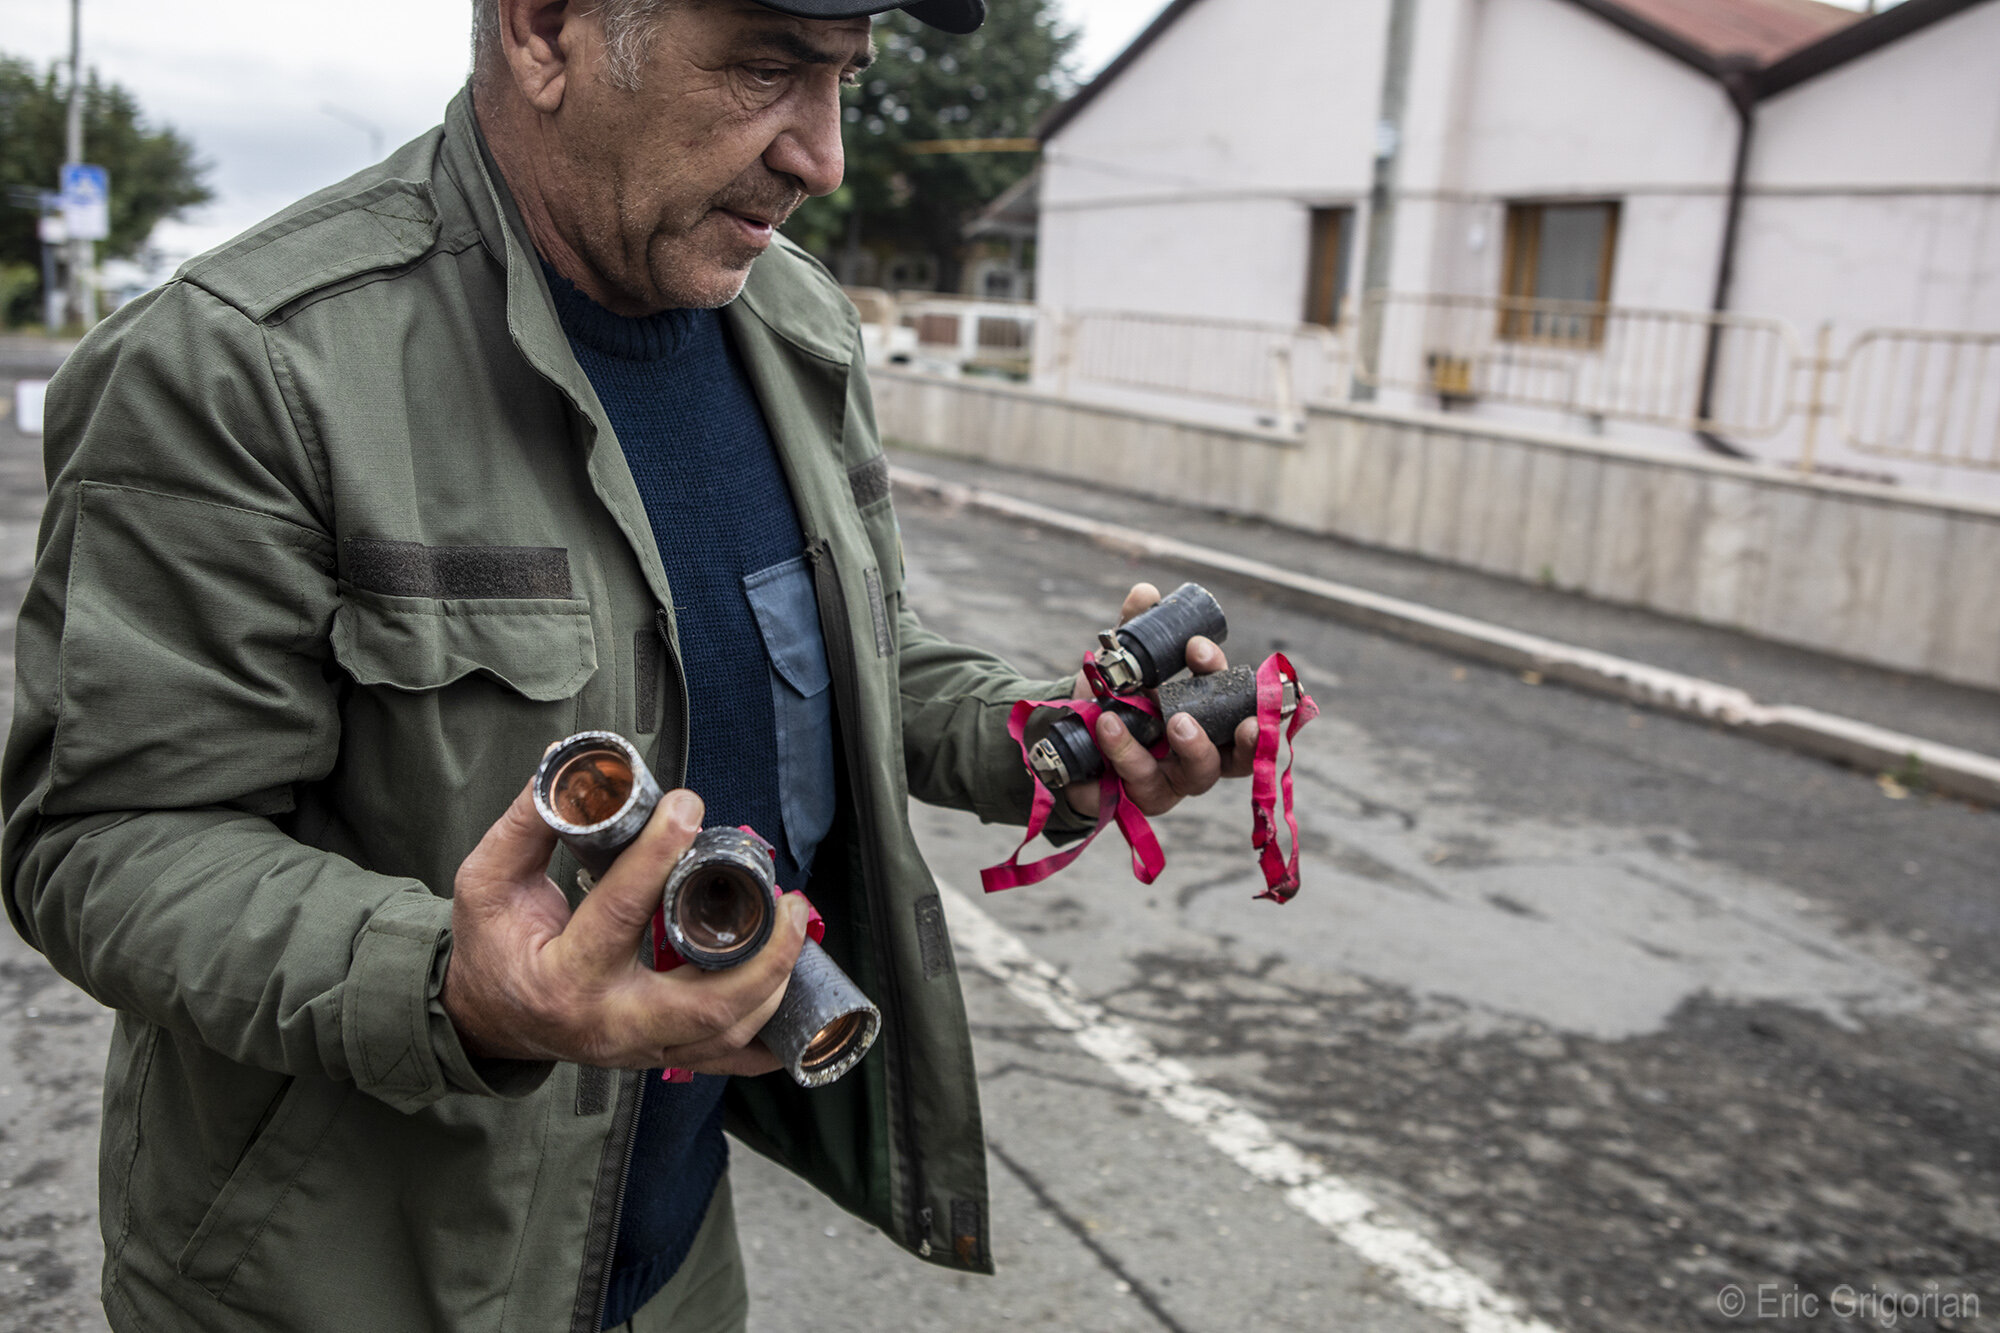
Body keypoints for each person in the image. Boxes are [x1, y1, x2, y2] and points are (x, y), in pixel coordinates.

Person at [0, 1, 1257, 1329]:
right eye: (768, 70)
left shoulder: (799, 326)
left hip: (670, 1272)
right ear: (546, 31)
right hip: (339, 1292)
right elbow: (108, 837)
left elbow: (851, 651)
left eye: (842, 81)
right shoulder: (243, 363)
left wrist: (1047, 738)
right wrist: (452, 986)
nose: (822, 156)